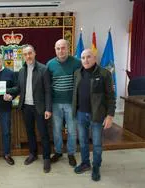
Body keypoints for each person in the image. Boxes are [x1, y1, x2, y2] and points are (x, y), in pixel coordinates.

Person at [7, 45, 52, 173]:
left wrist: (48, 109)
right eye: (25, 54)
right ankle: (33, 153)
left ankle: (47, 158)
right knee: (30, 131)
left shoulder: (44, 69)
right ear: (23, 56)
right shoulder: (22, 71)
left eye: (30, 53)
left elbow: (48, 91)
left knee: (44, 133)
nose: (28, 56)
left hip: (40, 108)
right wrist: (5, 92)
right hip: (26, 107)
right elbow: (18, 89)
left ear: (34, 53)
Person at [73, 49, 116, 181]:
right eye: (83, 57)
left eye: (88, 57)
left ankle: (96, 166)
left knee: (96, 144)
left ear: (95, 58)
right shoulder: (77, 73)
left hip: (97, 115)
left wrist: (110, 115)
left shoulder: (105, 73)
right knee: (83, 142)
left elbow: (110, 97)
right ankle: (85, 163)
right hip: (81, 114)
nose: (85, 60)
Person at [47, 39, 81, 167]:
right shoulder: (50, 64)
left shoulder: (77, 63)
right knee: (56, 130)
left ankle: (71, 153)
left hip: (71, 104)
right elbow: (48, 86)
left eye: (63, 48)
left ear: (68, 48)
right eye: (58, 48)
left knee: (72, 130)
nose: (60, 51)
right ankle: (58, 151)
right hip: (56, 104)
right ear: (55, 49)